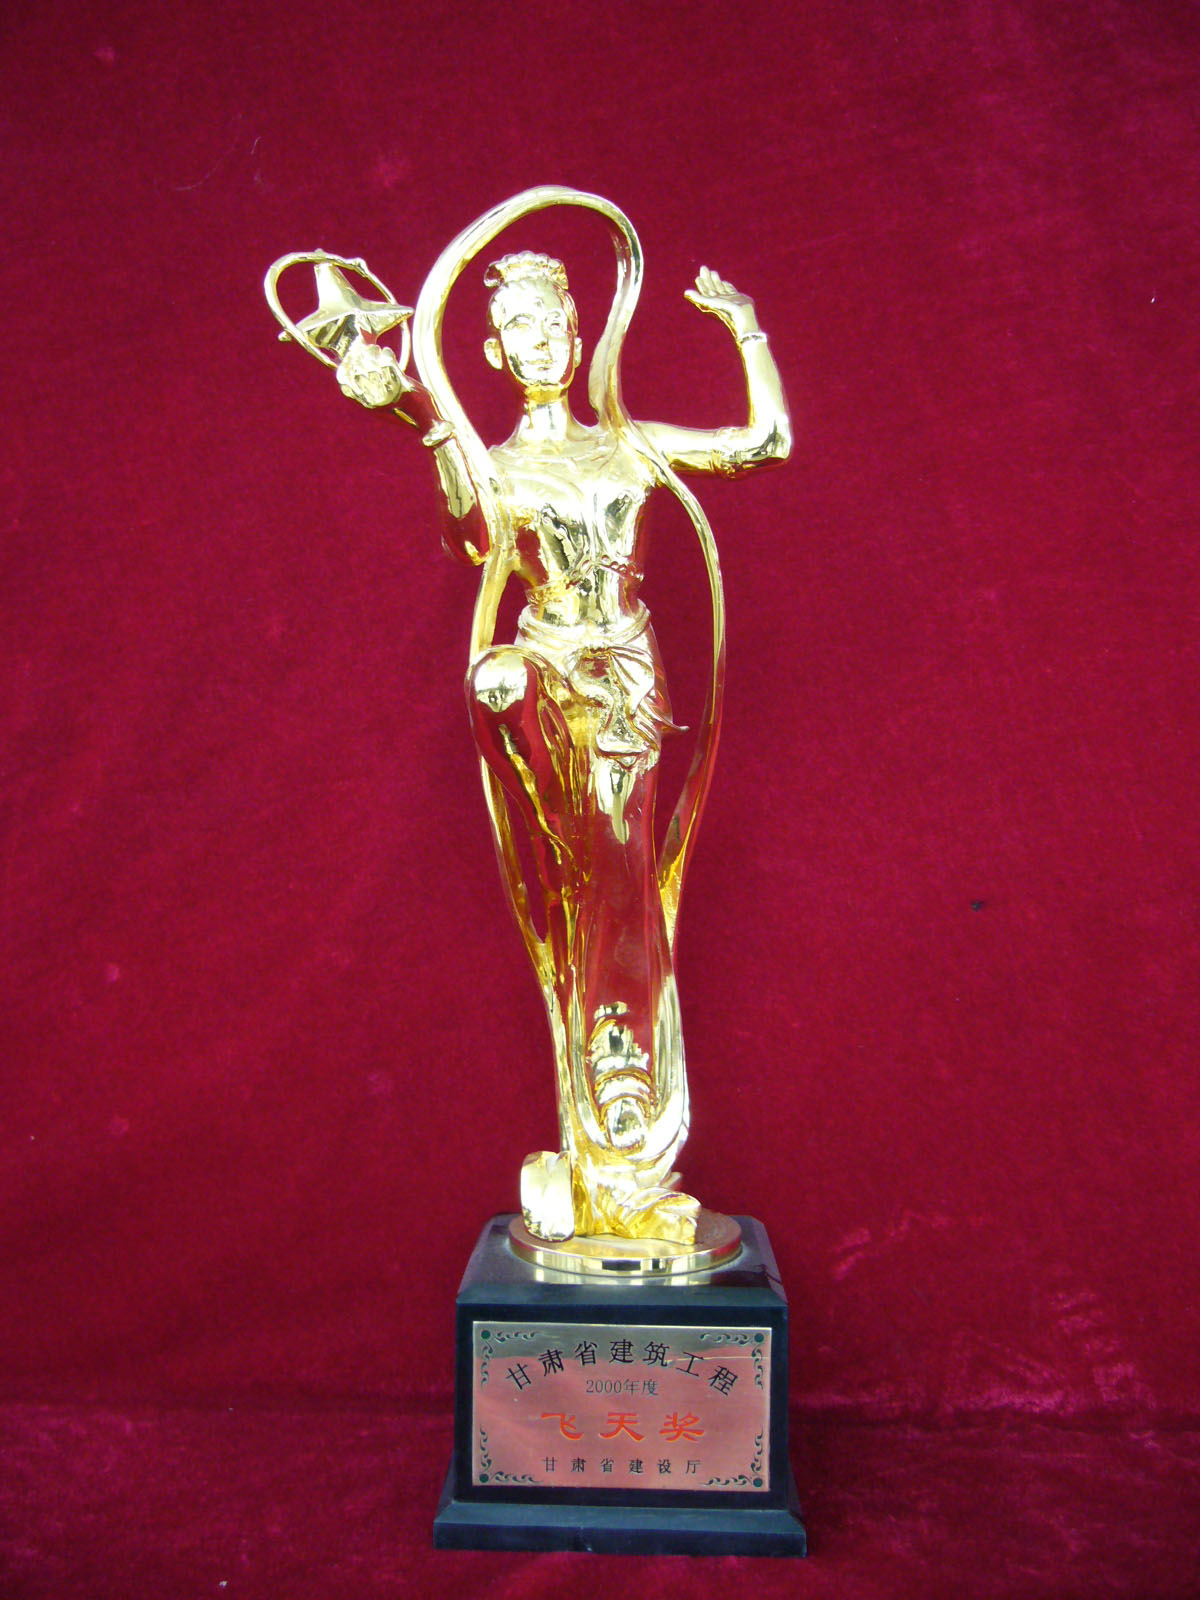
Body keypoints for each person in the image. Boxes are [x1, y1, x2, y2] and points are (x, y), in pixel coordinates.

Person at [334, 226, 789, 1248]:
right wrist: (414, 413)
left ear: (581, 334)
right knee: (504, 702)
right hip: (544, 676)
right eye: (518, 327)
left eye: (552, 322)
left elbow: (764, 444)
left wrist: (745, 329)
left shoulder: (629, 443)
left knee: (618, 888)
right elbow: (474, 537)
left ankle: (620, 1144)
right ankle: (606, 1141)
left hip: (623, 682)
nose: (538, 340)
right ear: (494, 352)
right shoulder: (494, 466)